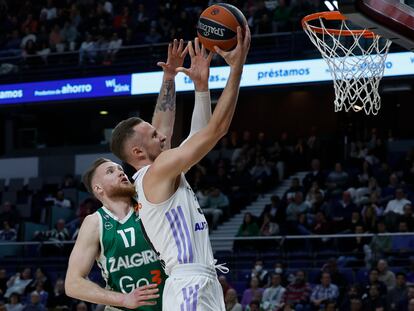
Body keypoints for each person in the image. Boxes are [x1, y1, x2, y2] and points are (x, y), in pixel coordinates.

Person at [110, 27, 251, 311]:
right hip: (190, 284)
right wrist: (236, 68)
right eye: (152, 137)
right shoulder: (157, 172)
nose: (162, 136)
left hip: (199, 281)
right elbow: (216, 130)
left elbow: (172, 129)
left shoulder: (156, 172)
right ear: (138, 153)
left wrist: (177, 80)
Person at [66, 38, 192, 310]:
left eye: (119, 167)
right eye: (110, 172)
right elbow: (73, 283)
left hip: (172, 303)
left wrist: (169, 78)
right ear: (98, 190)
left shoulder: (147, 193)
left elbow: (159, 135)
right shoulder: (96, 223)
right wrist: (121, 299)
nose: (120, 172)